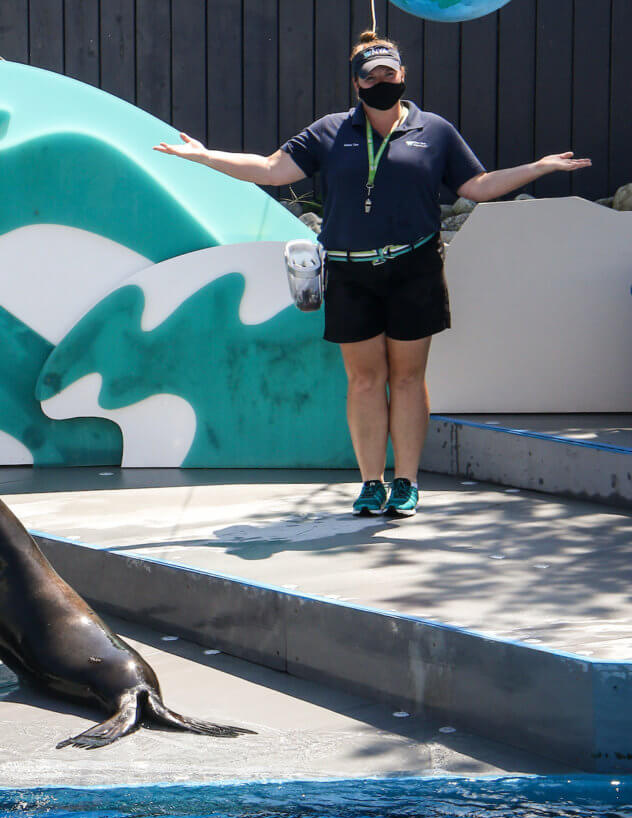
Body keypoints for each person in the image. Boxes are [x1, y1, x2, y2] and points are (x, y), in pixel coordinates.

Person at [155, 31, 589, 518]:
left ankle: (405, 481)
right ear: (356, 82)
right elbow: (274, 169)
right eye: (371, 74)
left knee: (407, 379)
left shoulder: (435, 131)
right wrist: (205, 156)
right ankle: (370, 483)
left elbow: (478, 185)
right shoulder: (329, 131)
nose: (381, 81)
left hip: (414, 266)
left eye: (389, 73)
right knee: (364, 381)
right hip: (349, 270)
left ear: (402, 75)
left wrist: (539, 167)